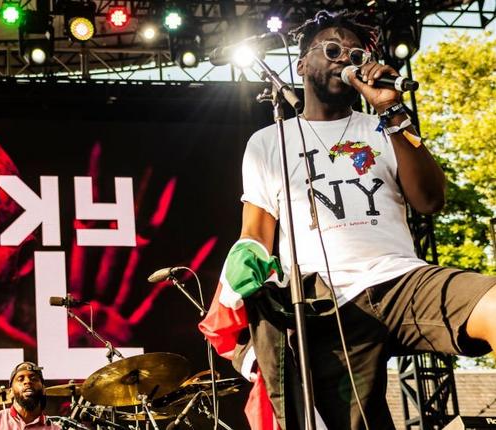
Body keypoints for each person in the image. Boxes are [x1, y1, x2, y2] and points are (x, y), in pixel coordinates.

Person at [201, 9, 496, 430]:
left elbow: (429, 200)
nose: (347, 60)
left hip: (400, 279)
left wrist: (393, 113)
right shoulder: (268, 141)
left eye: (357, 53)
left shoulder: (381, 128)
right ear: (302, 64)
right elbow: (256, 232)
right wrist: (244, 256)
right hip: (325, 301)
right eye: (334, 50)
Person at [0, 362, 62, 430]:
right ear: (11, 391)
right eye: (20, 379)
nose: (27, 381)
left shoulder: (55, 428)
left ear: (43, 389)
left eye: (34, 379)